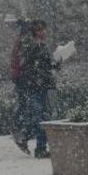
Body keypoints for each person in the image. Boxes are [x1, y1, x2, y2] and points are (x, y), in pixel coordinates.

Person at [20, 20, 59, 158]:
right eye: (40, 30)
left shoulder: (42, 46)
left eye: (44, 29)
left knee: (42, 116)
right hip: (37, 86)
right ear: (35, 32)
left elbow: (46, 64)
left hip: (42, 85)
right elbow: (29, 66)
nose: (43, 32)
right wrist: (46, 70)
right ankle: (37, 144)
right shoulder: (33, 46)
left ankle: (31, 140)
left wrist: (55, 63)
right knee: (41, 117)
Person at [9, 19, 32, 155]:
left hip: (22, 78)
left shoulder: (21, 40)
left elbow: (17, 61)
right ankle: (21, 132)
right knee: (29, 108)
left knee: (25, 105)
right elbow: (24, 61)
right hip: (26, 79)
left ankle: (20, 131)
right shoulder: (26, 41)